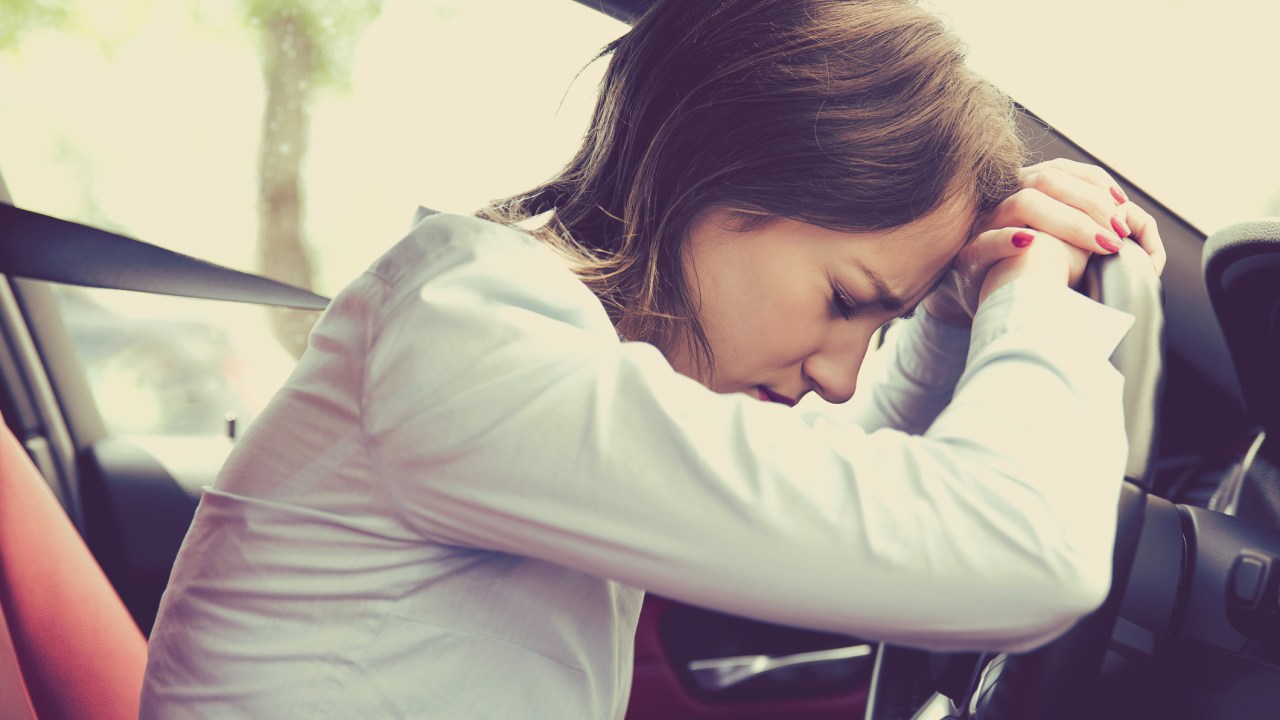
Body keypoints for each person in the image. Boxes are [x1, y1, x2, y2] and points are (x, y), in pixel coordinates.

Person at [140, 0, 1165, 717]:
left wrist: (948, 317)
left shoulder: (539, 350)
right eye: (847, 300)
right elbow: (1027, 553)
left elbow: (839, 497)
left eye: (876, 324)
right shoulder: (470, 340)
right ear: (716, 173)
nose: (841, 374)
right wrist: (1032, 293)